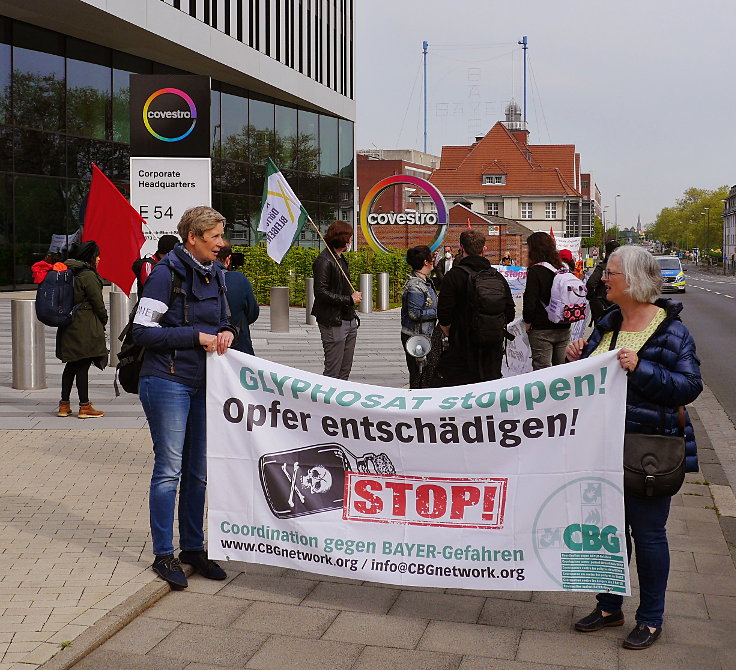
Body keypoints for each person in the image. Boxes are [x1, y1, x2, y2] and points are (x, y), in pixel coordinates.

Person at [566, 245, 701, 650]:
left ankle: (651, 618)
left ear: (634, 281)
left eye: (611, 273)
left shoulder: (671, 330)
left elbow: (689, 387)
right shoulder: (607, 325)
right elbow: (589, 381)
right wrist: (578, 357)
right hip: (602, 448)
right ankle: (609, 607)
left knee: (648, 535)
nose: (603, 278)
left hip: (647, 451)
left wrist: (641, 368)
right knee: (608, 531)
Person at [133, 206, 237, 590]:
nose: (221, 244)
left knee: (198, 472)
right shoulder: (164, 274)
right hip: (166, 381)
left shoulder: (217, 274)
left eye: (221, 236)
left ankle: (193, 547)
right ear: (192, 238)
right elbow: (142, 331)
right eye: (215, 238)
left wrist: (226, 332)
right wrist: (194, 336)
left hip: (203, 382)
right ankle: (164, 554)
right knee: (169, 471)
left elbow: (225, 319)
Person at [435, 229, 514, 384]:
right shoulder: (496, 276)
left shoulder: (453, 276)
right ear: (484, 249)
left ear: (461, 248)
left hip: (462, 346)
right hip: (492, 347)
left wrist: (454, 332)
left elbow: (443, 314)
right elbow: (510, 312)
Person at [56, 241, 108, 418]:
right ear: (91, 257)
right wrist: (104, 319)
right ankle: (84, 406)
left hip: (68, 323)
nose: (99, 258)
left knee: (71, 365)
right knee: (83, 364)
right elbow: (97, 302)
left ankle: (64, 405)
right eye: (98, 255)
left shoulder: (68, 270)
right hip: (83, 325)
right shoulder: (87, 275)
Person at [311, 220, 362, 380]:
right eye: (350, 238)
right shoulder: (324, 260)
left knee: (344, 370)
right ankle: (326, 404)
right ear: (343, 239)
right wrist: (349, 299)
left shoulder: (340, 258)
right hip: (333, 321)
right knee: (333, 371)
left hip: (348, 319)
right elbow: (321, 292)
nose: (351, 241)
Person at [523, 232, 571, 370]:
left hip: (541, 328)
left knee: (542, 370)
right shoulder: (563, 268)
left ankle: (545, 393)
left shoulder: (535, 270)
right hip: (563, 325)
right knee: (562, 371)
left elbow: (530, 300)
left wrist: (528, 321)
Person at [401, 245, 438, 389]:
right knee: (418, 375)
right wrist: (438, 312)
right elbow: (414, 313)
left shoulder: (425, 281)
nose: (433, 261)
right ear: (425, 262)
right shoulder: (415, 286)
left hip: (424, 334)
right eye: (431, 258)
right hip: (416, 336)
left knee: (427, 374)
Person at [217, 245, 259, 354]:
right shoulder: (238, 279)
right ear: (228, 259)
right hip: (239, 347)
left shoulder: (193, 279)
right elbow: (252, 313)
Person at [587, 240, 620, 325]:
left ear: (606, 252)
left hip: (604, 308)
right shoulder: (626, 267)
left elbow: (590, 284)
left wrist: (592, 297)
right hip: (621, 307)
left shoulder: (602, 267)